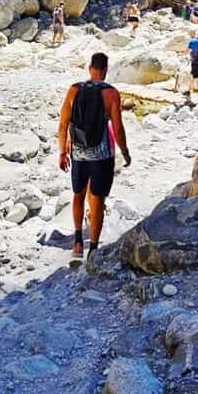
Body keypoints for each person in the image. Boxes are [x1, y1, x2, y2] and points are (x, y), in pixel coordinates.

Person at [58, 52, 131, 262]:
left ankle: (78, 243)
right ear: (106, 70)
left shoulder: (74, 90)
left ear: (90, 69)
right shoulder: (111, 93)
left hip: (78, 153)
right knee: (97, 200)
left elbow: (63, 124)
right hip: (102, 155)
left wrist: (63, 152)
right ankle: (94, 250)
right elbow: (117, 128)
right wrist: (125, 152)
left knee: (78, 195)